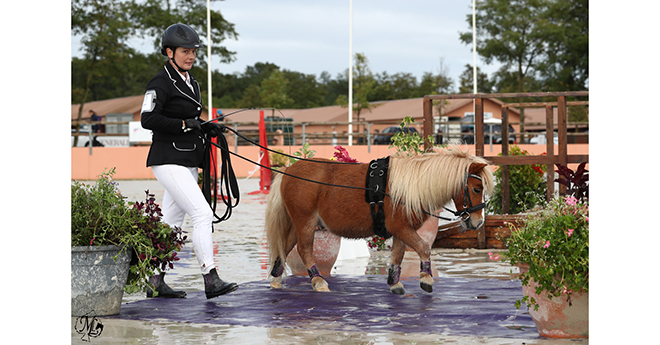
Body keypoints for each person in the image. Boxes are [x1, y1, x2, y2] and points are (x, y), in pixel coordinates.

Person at [140, 23, 237, 300]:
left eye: (193, 51)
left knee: (172, 223)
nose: (191, 56)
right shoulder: (160, 82)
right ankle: (210, 277)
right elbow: (148, 119)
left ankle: (155, 281)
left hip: (188, 159)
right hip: (167, 159)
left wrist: (202, 127)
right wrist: (185, 123)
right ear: (169, 52)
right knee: (202, 214)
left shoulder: (192, 82)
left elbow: (190, 118)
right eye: (185, 51)